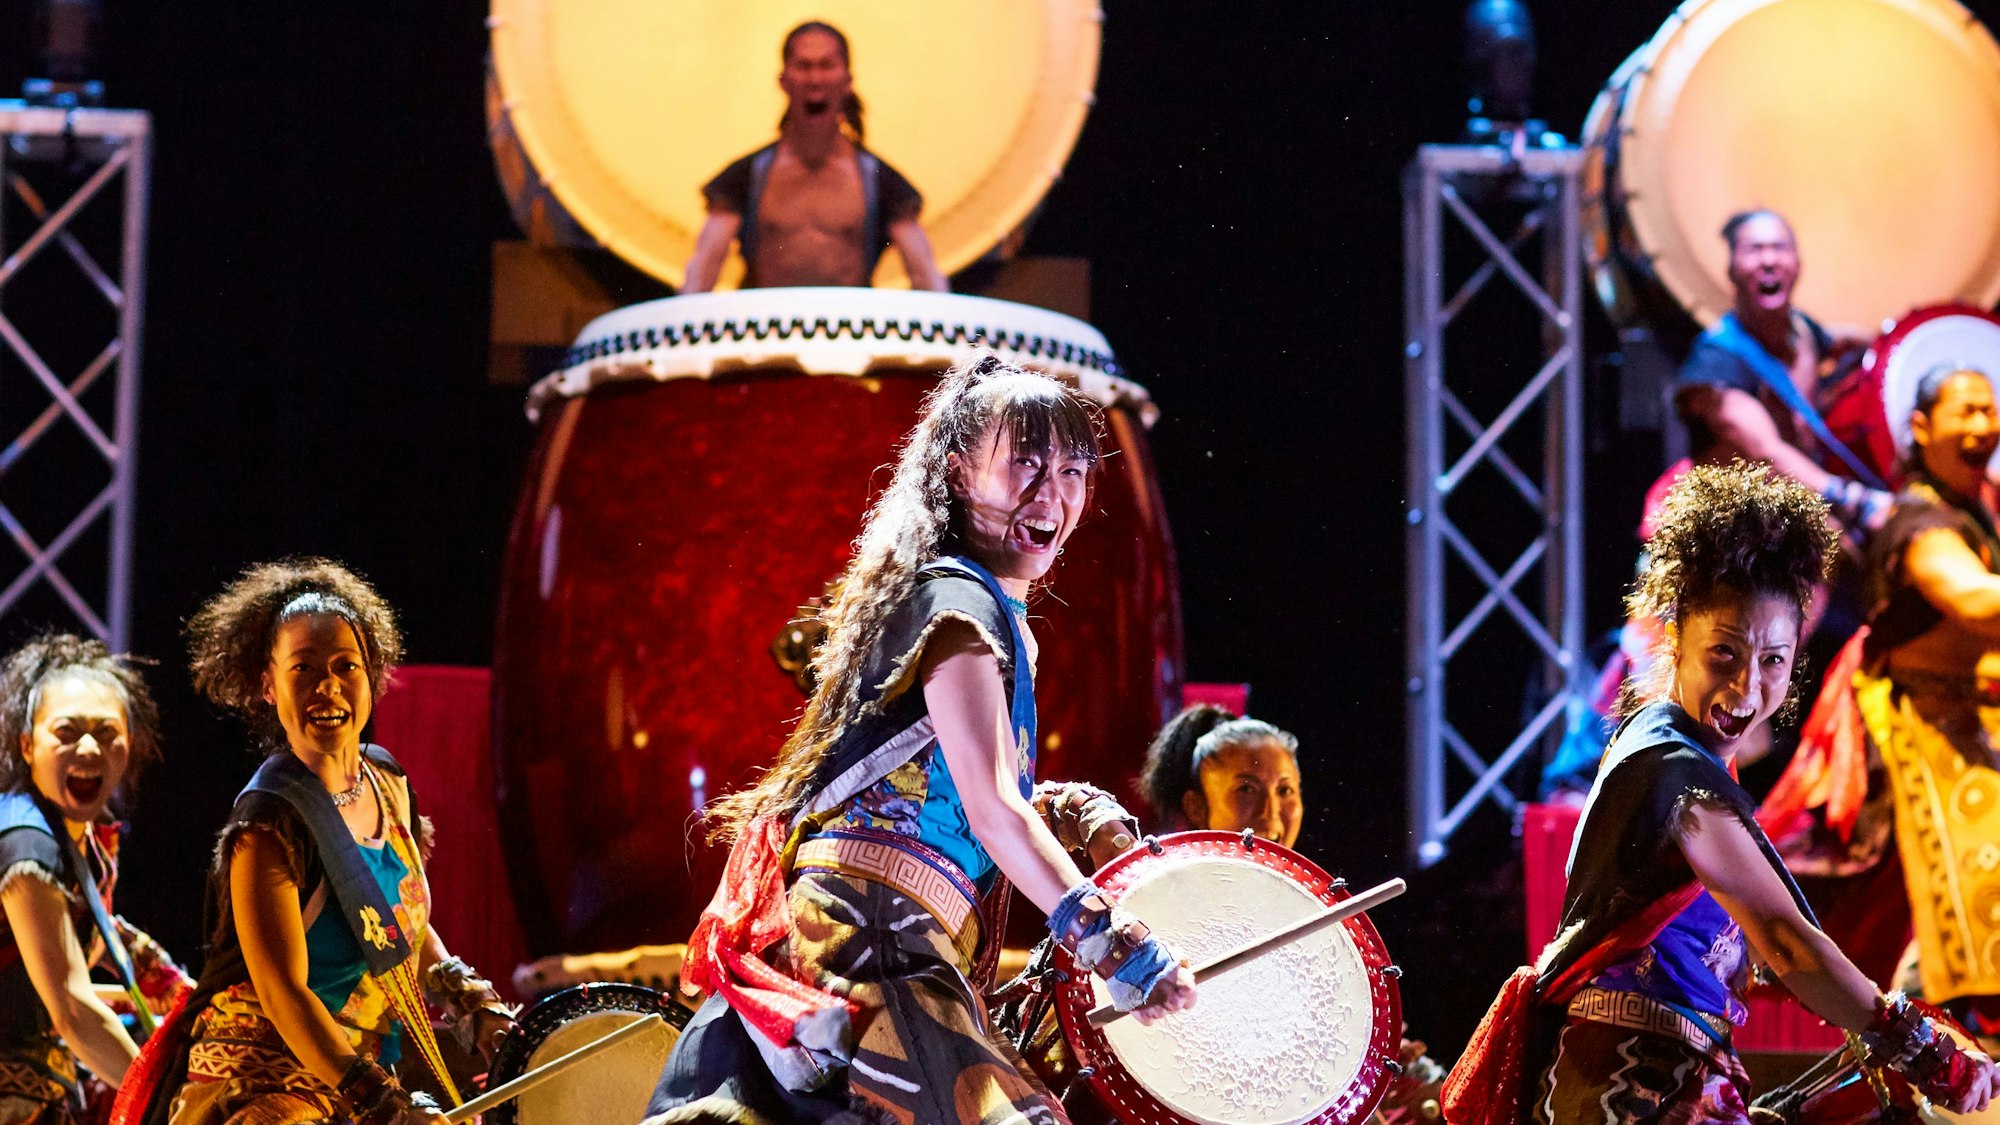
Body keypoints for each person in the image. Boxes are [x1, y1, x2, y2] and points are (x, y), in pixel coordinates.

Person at [644, 356, 1193, 1125]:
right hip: (871, 935)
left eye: (1072, 470)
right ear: (959, 469)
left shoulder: (982, 609)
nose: (1053, 493)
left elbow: (957, 791)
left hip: (887, 934)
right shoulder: (957, 602)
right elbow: (993, 807)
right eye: (1025, 463)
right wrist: (1112, 939)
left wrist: (1073, 810)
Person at [1443, 462, 2000, 1125]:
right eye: (1724, 654)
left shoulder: (1674, 750)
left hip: (1655, 1078)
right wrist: (1921, 1048)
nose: (1746, 688)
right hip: (1631, 1087)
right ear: (1677, 636)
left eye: (1772, 660)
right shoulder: (1675, 772)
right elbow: (1785, 941)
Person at [132, 560, 514, 1125]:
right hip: (265, 1084)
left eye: (345, 666)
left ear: (373, 675)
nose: (327, 686)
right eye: (303, 668)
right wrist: (382, 1103)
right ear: (268, 685)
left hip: (353, 1076)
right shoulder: (267, 826)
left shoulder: (389, 784)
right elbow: (283, 992)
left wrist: (472, 1004)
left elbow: (399, 930)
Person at [1763, 364, 2000, 1034]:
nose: (1983, 426)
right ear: (1921, 426)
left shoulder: (1972, 511)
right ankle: (1919, 1044)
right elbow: (1973, 600)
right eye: (1966, 411)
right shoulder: (1918, 520)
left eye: (1990, 410)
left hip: (1963, 725)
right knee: (1945, 898)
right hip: (1913, 735)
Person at [0, 635, 188, 1124]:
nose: (88, 747)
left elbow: (94, 930)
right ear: (27, 745)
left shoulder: (82, 839)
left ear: (130, 746)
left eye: (107, 733)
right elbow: (73, 1010)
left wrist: (178, 988)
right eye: (67, 731)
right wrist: (166, 1105)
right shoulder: (26, 844)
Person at [682, 21, 948, 293]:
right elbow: (705, 265)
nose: (815, 80)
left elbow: (924, 272)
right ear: (783, 80)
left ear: (847, 80)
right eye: (803, 66)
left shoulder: (881, 181)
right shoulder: (746, 176)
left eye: (826, 65)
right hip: (768, 316)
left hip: (848, 317)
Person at [1675, 209, 1889, 529]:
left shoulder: (1802, 330)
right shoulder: (1715, 363)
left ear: (1798, 265)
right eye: (1754, 249)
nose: (1769, 260)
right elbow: (1767, 454)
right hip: (1739, 530)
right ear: (1731, 269)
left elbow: (1838, 340)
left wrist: (1890, 343)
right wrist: (1860, 501)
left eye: (1780, 247)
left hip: (1803, 508)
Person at [1139, 704, 1302, 846]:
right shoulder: (1166, 873)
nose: (1270, 812)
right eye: (1246, 789)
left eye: (1285, 790)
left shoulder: (1312, 874)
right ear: (1196, 808)